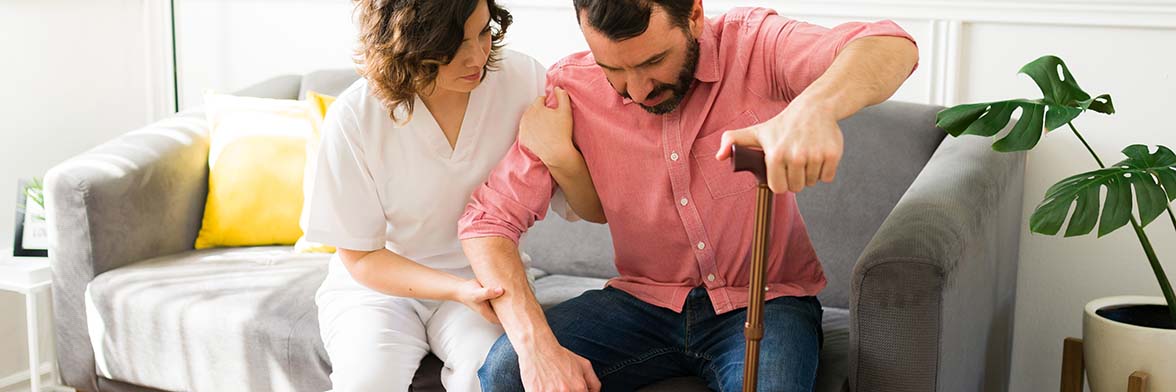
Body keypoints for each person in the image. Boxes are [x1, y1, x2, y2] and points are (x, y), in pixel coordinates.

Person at [459, 1, 920, 391]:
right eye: (613, 70)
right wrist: (535, 345)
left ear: (694, 16)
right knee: (506, 369)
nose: (637, 90)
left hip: (765, 300)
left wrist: (811, 111)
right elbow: (487, 222)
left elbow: (889, 44)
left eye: (652, 61)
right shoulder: (571, 90)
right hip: (640, 303)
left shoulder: (755, 45)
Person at [304, 0, 603, 390]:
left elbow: (589, 209)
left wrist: (562, 156)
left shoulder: (523, 80)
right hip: (379, 291)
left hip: (489, 284)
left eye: (483, 33)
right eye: (453, 45)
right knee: (368, 380)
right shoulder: (357, 115)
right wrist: (457, 289)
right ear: (408, 44)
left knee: (493, 374)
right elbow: (361, 258)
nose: (477, 56)